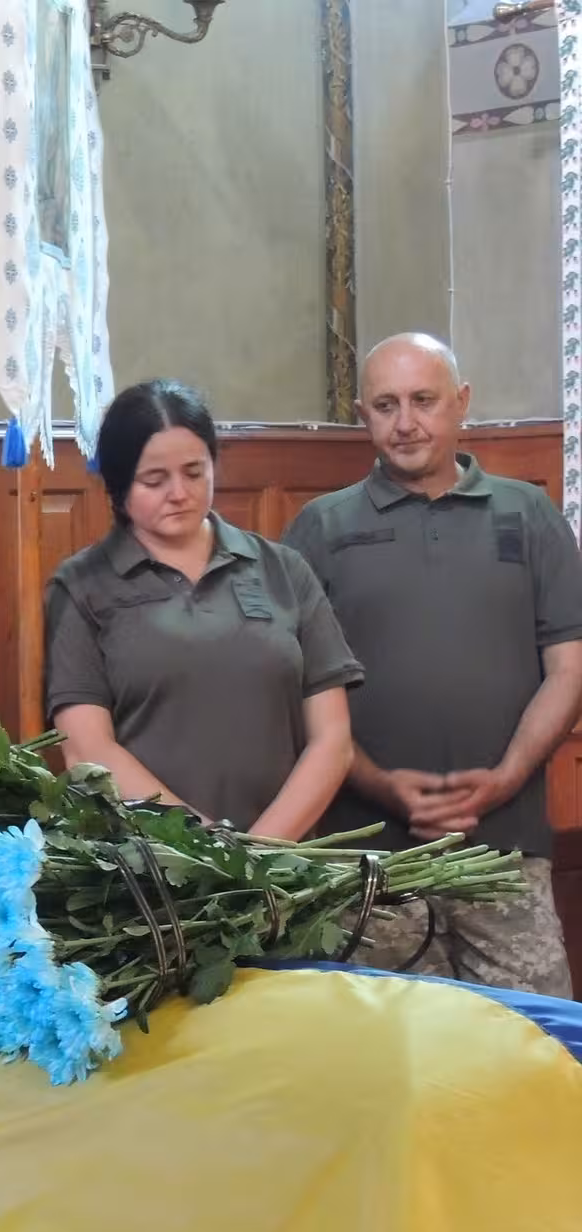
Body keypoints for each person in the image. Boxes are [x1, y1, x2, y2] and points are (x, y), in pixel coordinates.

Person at [283, 335, 582, 996]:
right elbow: (293, 690)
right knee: (391, 1046)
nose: (406, 422)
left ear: (461, 402)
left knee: (535, 1037)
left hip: (504, 849)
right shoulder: (319, 528)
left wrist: (505, 779)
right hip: (367, 859)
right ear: (363, 415)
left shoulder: (529, 513)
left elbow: (570, 670)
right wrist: (381, 784)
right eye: (386, 405)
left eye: (424, 400)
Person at [44, 379, 362, 838]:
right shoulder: (82, 585)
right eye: (155, 480)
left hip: (287, 860)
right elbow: (87, 749)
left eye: (194, 472)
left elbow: (332, 741)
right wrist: (209, 849)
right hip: (153, 861)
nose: (179, 493)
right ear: (118, 486)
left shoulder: (283, 569)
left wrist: (260, 852)